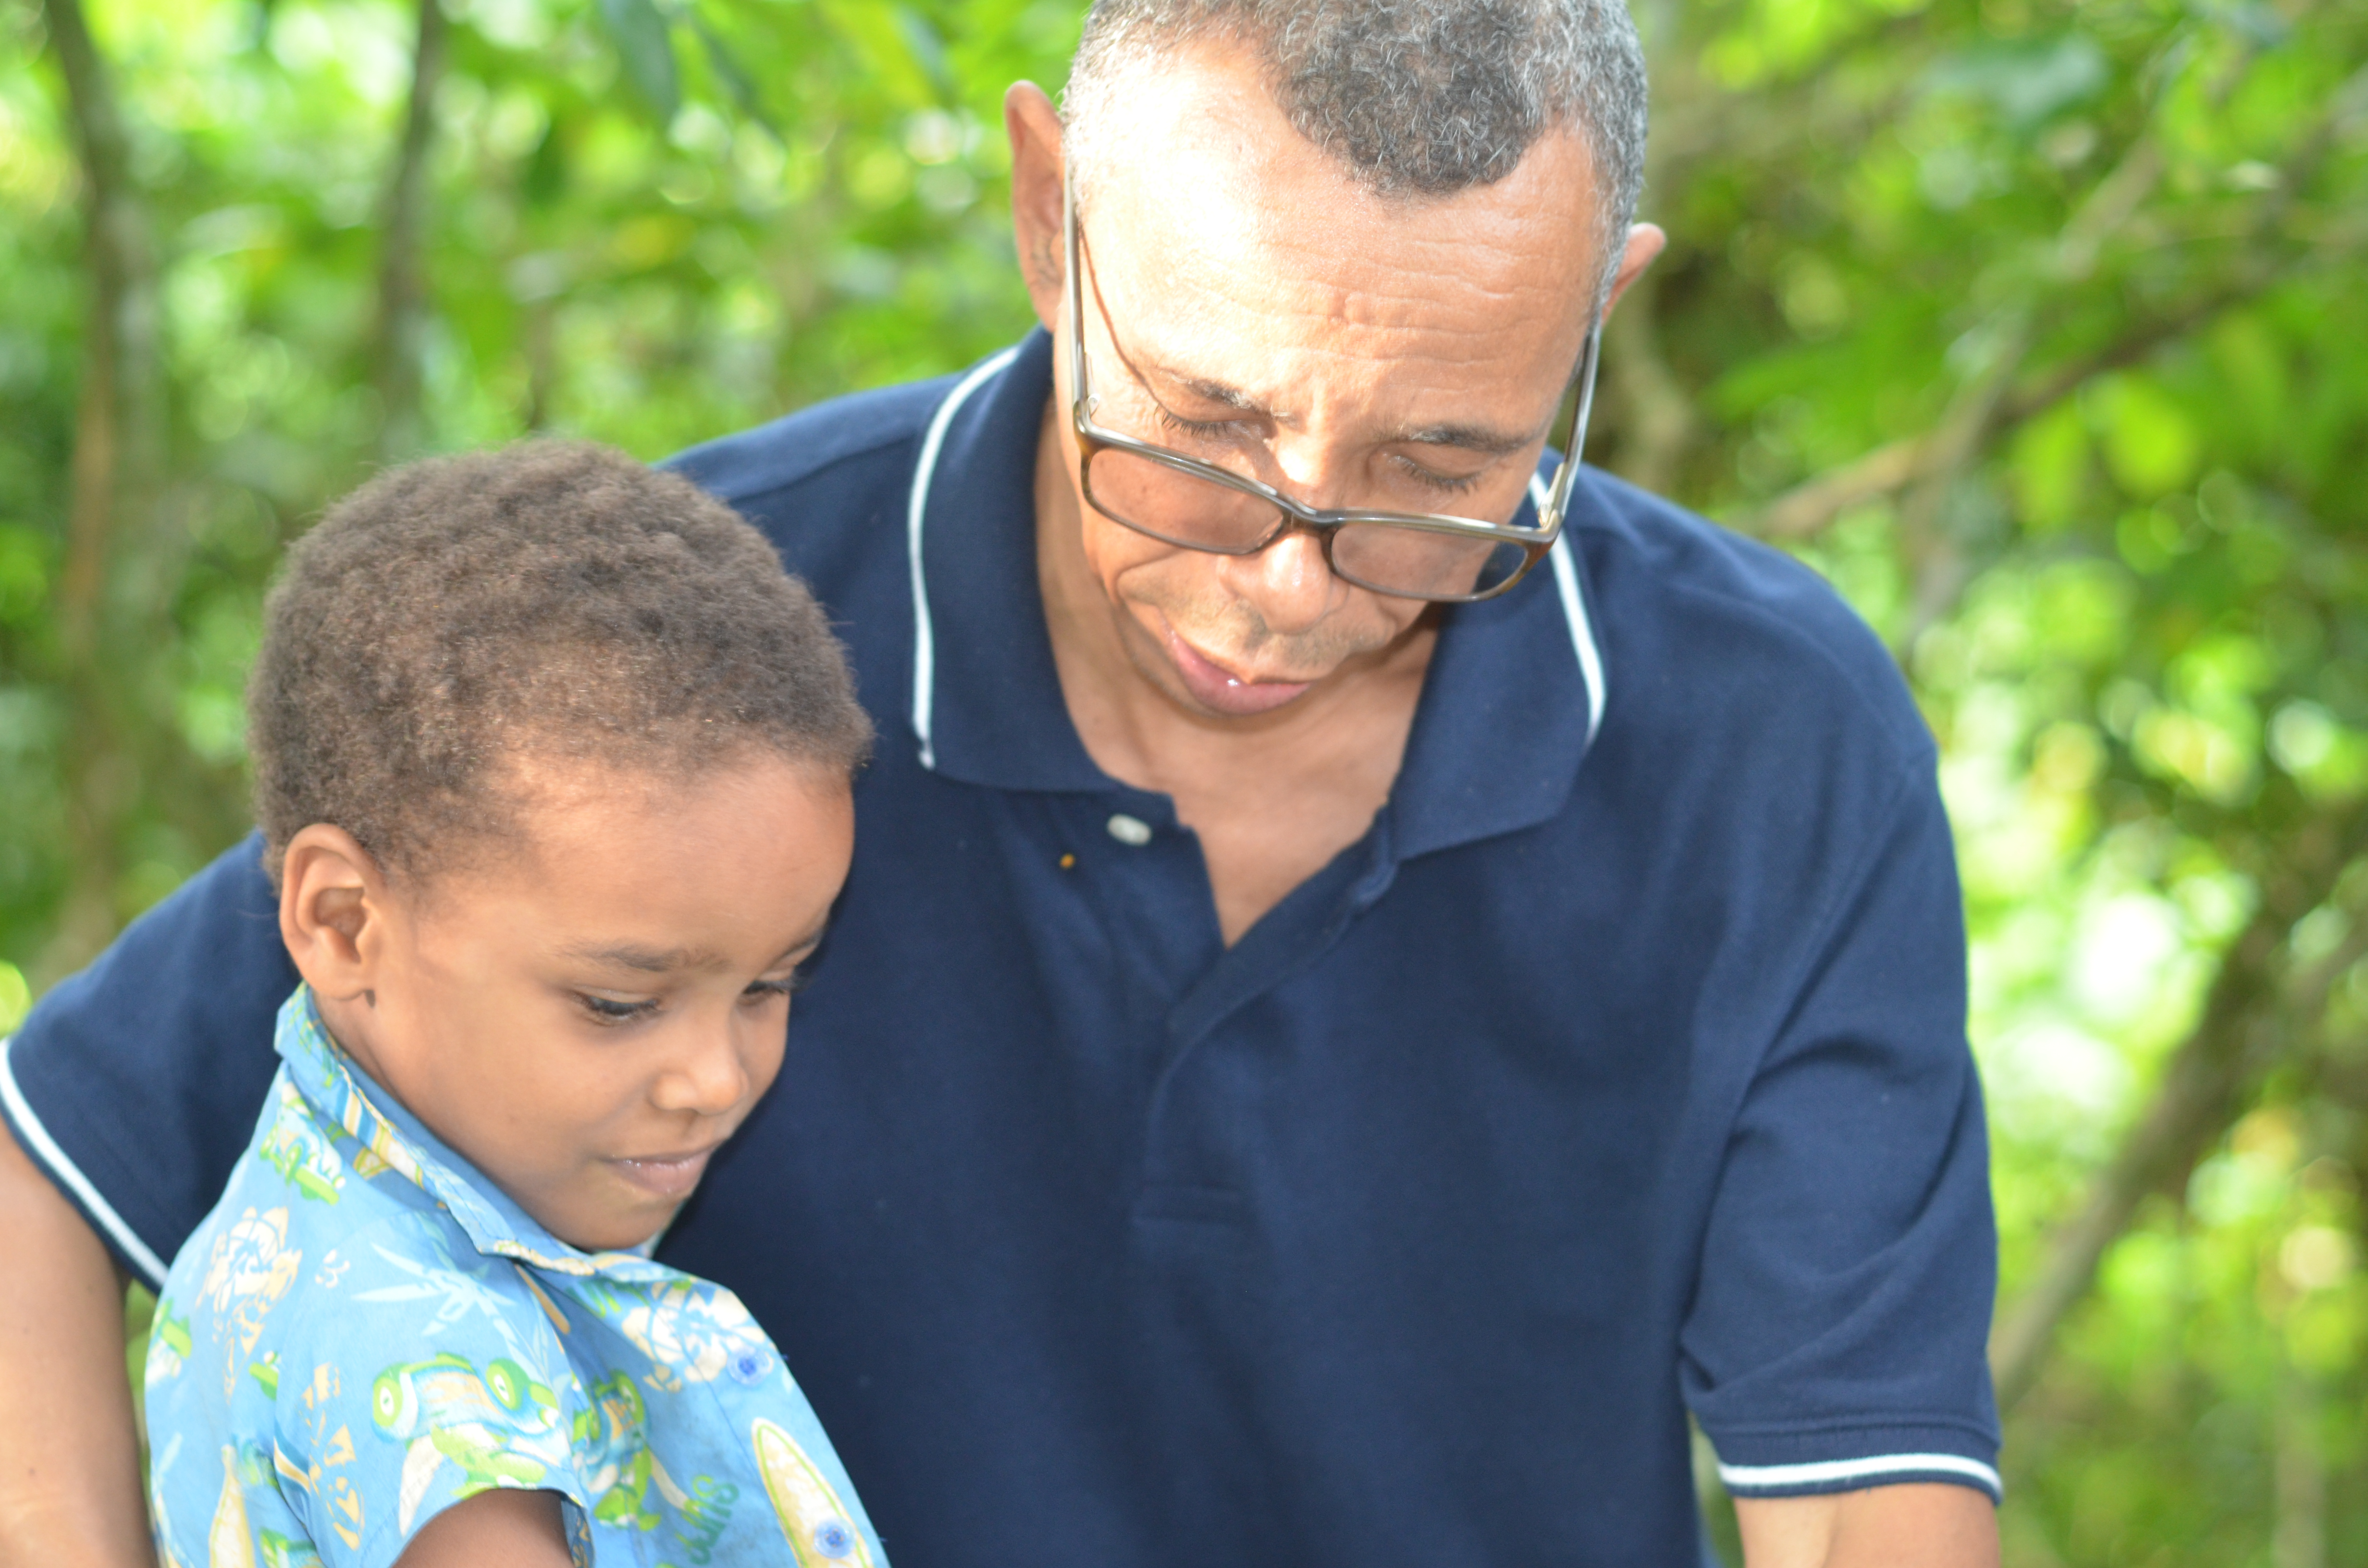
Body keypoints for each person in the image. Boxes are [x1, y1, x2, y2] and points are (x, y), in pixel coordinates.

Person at [0, 3, 2003, 1565]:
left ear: (1593, 321)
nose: (1281, 583)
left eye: (1435, 468)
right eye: (1203, 426)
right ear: (1048, 216)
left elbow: (1854, 1498)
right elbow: (51, 1163)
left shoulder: (1767, 739)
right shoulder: (681, 657)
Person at [140, 443, 884, 1566]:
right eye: (618, 1003)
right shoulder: (428, 1367)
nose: (717, 1080)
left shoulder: (296, 1232)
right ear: (344, 923)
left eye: (770, 985)